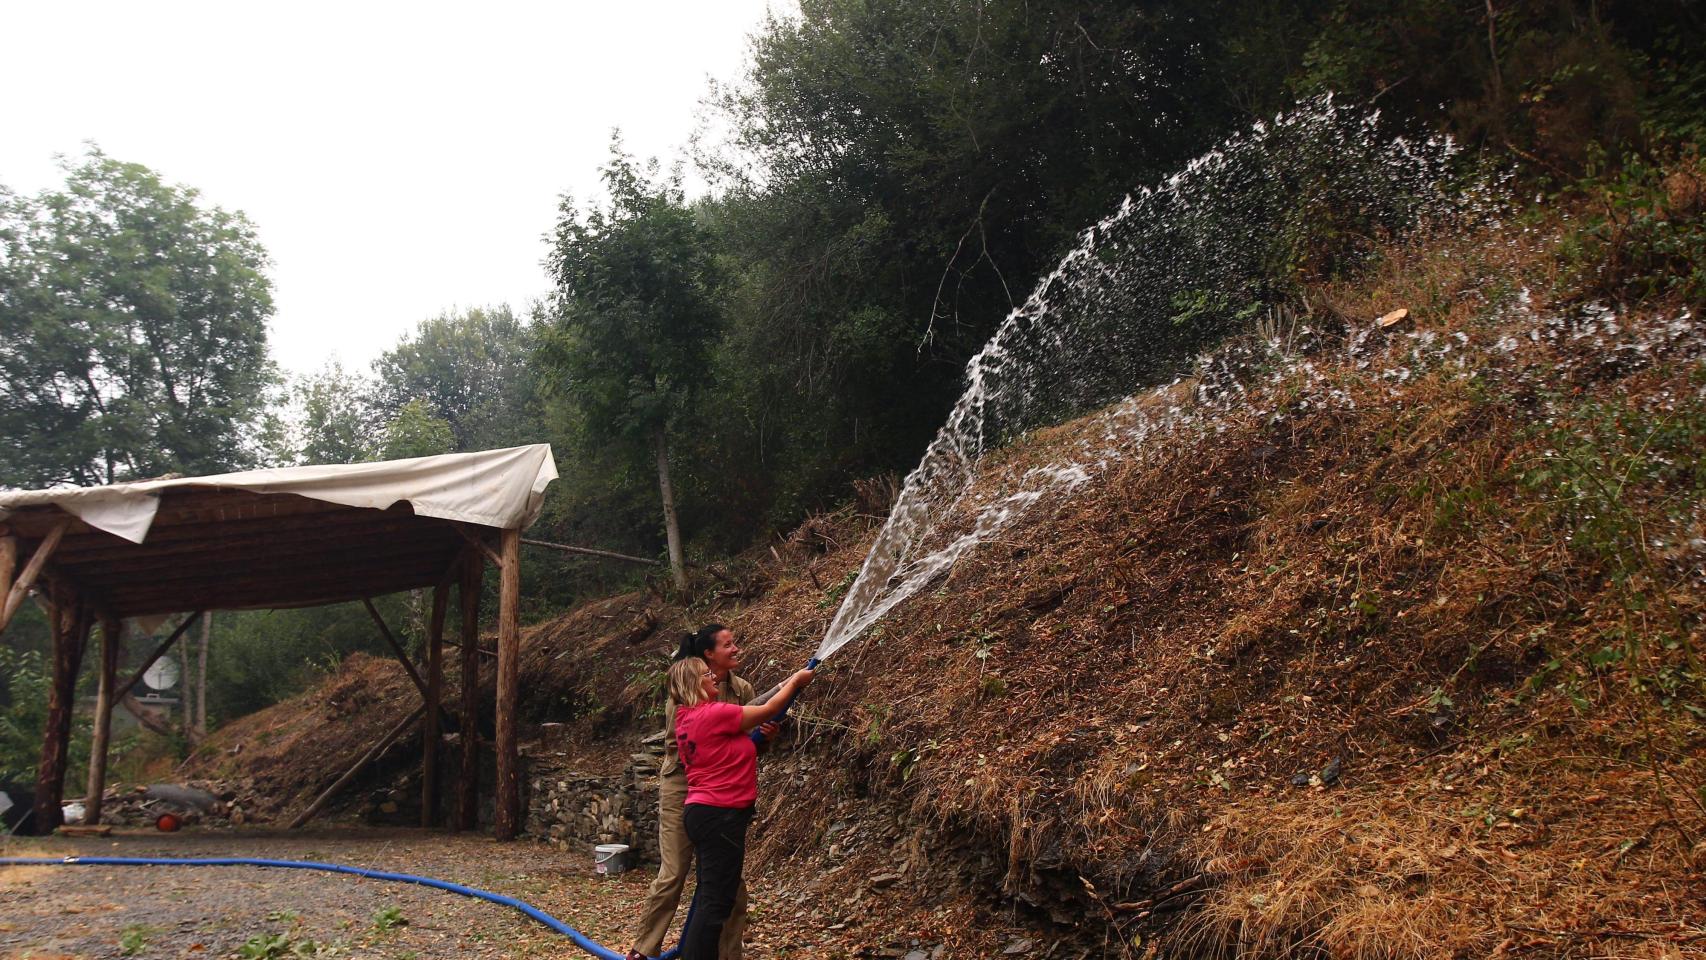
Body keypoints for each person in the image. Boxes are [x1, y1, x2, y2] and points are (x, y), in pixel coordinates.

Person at [627, 625, 769, 960]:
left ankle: (727, 954)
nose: (736, 649)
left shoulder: (742, 689)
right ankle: (644, 949)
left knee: (729, 882)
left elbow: (745, 746)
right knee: (674, 872)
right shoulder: (684, 692)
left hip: (720, 790)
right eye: (728, 644)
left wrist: (763, 736)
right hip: (684, 785)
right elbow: (689, 745)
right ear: (709, 654)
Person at [671, 654, 814, 960]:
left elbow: (727, 752)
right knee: (716, 902)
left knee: (712, 898)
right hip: (719, 816)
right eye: (706, 674)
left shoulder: (686, 717)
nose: (713, 676)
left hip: (705, 814)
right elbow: (768, 709)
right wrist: (796, 684)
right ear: (694, 684)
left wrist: (758, 739)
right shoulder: (713, 714)